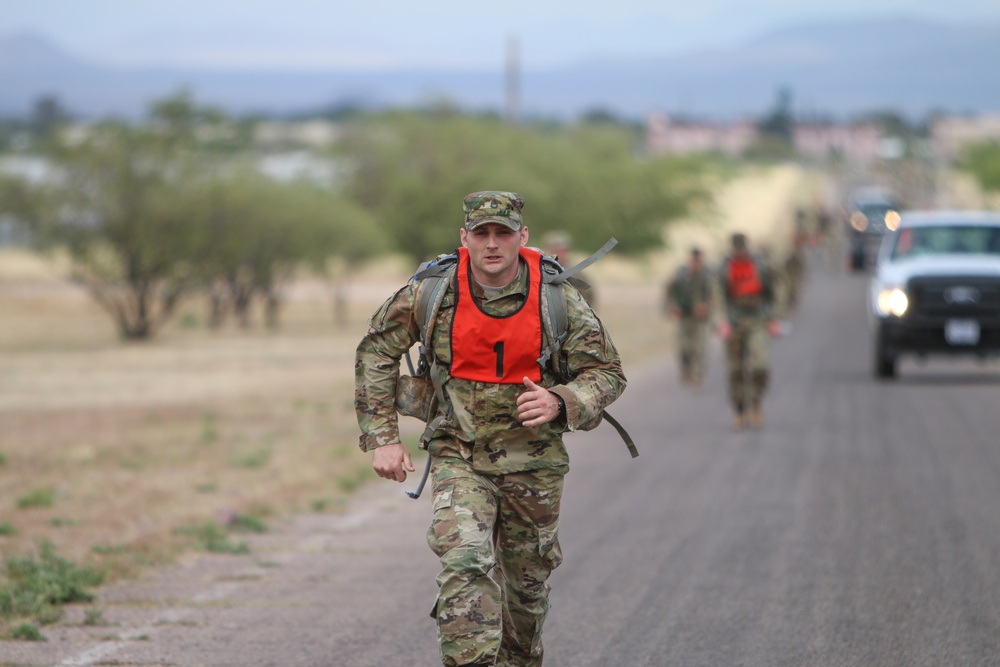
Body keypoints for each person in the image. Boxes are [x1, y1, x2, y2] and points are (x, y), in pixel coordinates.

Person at [354, 191, 627, 667]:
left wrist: (561, 400)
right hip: (459, 457)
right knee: (465, 563)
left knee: (524, 596)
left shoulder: (557, 297)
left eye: (504, 233)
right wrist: (383, 437)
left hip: (535, 466)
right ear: (465, 238)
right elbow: (376, 350)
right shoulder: (432, 292)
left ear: (523, 238)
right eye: (482, 233)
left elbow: (607, 373)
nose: (493, 244)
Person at [717, 232, 781, 429]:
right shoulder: (724, 269)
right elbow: (718, 297)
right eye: (736, 250)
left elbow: (772, 294)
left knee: (759, 367)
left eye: (742, 250)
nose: (740, 253)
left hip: (757, 321)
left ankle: (756, 402)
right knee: (736, 370)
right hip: (734, 324)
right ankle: (740, 411)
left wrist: (773, 318)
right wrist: (722, 322)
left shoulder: (760, 267)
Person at [665, 246, 713, 388]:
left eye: (698, 261)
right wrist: (673, 308)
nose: (696, 264)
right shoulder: (680, 275)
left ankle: (697, 377)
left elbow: (714, 296)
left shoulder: (708, 276)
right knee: (684, 349)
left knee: (700, 349)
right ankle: (686, 372)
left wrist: (706, 307)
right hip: (684, 318)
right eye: (694, 261)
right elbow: (669, 293)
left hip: (700, 319)